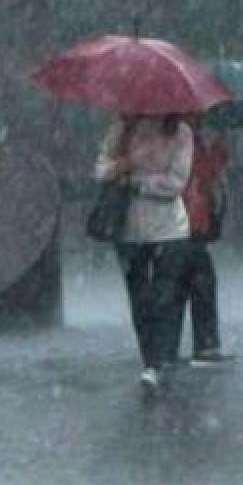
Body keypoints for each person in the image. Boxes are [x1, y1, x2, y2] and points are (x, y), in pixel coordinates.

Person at [95, 113, 194, 392]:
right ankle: (151, 360)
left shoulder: (180, 132)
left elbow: (177, 182)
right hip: (128, 228)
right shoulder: (121, 129)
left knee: (163, 296)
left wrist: (138, 182)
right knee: (139, 298)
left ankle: (157, 362)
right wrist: (124, 164)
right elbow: (100, 170)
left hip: (170, 229)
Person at [177, 117, 231, 364]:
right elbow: (204, 176)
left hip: (179, 228)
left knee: (177, 289)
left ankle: (166, 349)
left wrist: (219, 151)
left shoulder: (183, 141)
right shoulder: (185, 143)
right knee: (200, 285)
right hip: (186, 227)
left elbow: (205, 175)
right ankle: (206, 345)